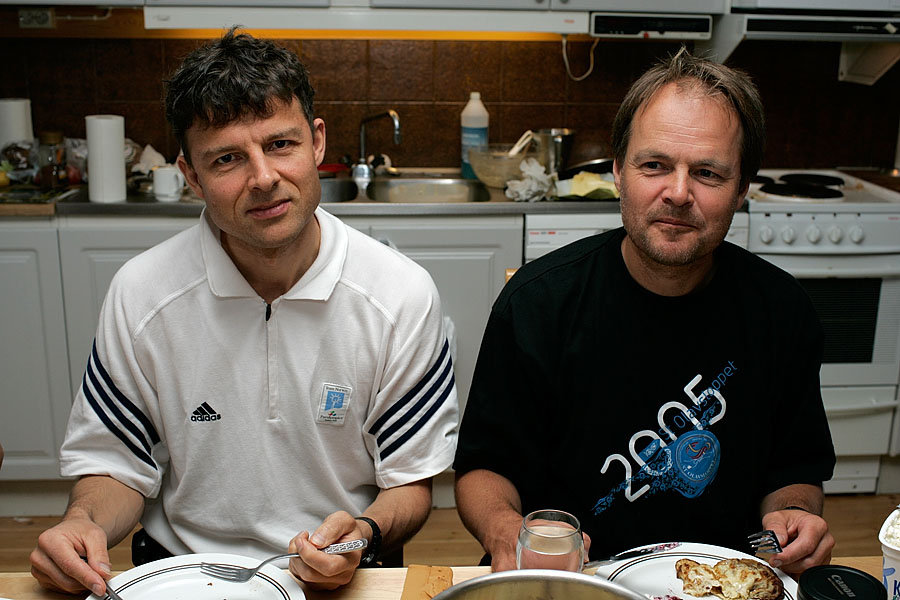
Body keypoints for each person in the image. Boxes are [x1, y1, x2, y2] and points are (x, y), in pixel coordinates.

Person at [31, 29, 458, 596]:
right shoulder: (141, 293)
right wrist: (81, 522)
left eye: (280, 144)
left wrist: (362, 533)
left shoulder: (400, 294)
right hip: (184, 575)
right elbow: (115, 465)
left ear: (317, 142)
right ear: (191, 175)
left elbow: (410, 481)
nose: (263, 178)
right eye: (228, 158)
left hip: (340, 577)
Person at [453, 47, 835, 576]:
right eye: (654, 165)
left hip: (719, 582)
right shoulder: (538, 304)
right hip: (573, 580)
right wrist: (505, 529)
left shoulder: (783, 312)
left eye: (708, 173)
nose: (677, 193)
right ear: (618, 171)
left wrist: (793, 516)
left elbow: (795, 471)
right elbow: (484, 467)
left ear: (742, 190)